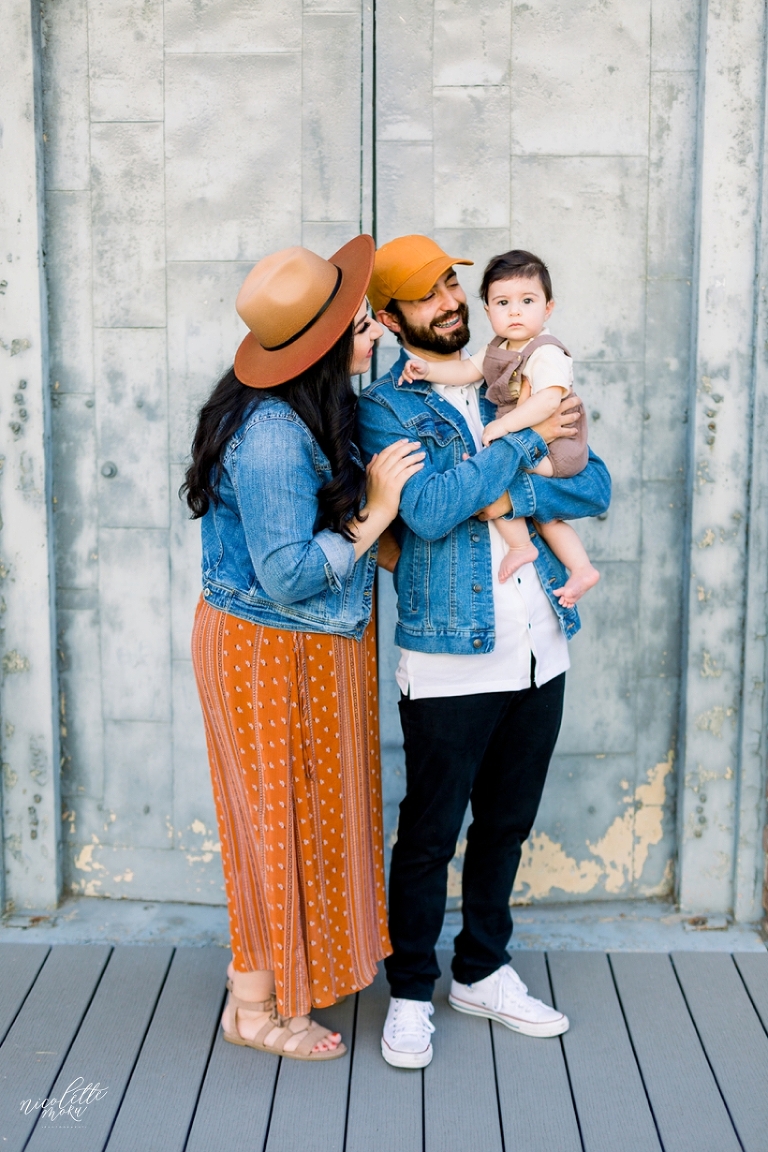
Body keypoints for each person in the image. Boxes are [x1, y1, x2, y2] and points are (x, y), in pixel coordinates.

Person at [357, 234, 611, 1069]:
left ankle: (481, 972)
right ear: (390, 318)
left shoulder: (516, 366)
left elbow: (595, 484)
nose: (448, 302)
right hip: (450, 656)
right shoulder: (386, 409)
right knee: (430, 835)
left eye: (449, 284)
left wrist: (500, 488)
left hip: (542, 644)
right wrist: (521, 443)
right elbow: (429, 511)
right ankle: (409, 993)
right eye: (425, 295)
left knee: (506, 824)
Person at [185, 237, 424, 1061]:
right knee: (274, 829)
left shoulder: (314, 409)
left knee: (296, 825)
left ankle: (267, 988)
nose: (375, 332)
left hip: (311, 648)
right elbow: (287, 575)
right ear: (321, 348)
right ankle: (256, 1011)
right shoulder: (273, 436)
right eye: (361, 325)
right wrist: (378, 511)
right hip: (270, 651)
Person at [401, 249, 599, 606]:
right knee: (524, 501)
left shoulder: (546, 352)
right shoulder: (498, 347)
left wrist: (505, 425)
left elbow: (549, 400)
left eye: (527, 301)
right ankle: (567, 562)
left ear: (548, 308)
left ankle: (535, 551)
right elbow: (465, 371)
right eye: (503, 303)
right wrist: (427, 370)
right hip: (537, 442)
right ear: (488, 311)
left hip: (558, 448)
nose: (515, 311)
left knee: (495, 476)